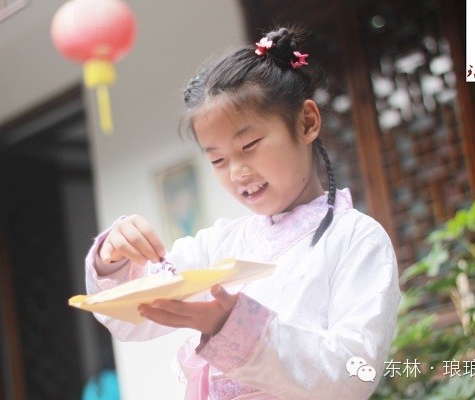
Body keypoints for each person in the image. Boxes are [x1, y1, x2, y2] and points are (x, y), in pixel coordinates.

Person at [85, 27, 401, 400]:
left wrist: (235, 328)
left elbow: (355, 371)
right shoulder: (218, 245)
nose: (236, 172)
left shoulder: (356, 239)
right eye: (218, 160)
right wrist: (116, 257)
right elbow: (132, 320)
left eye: (249, 145)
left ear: (306, 122)